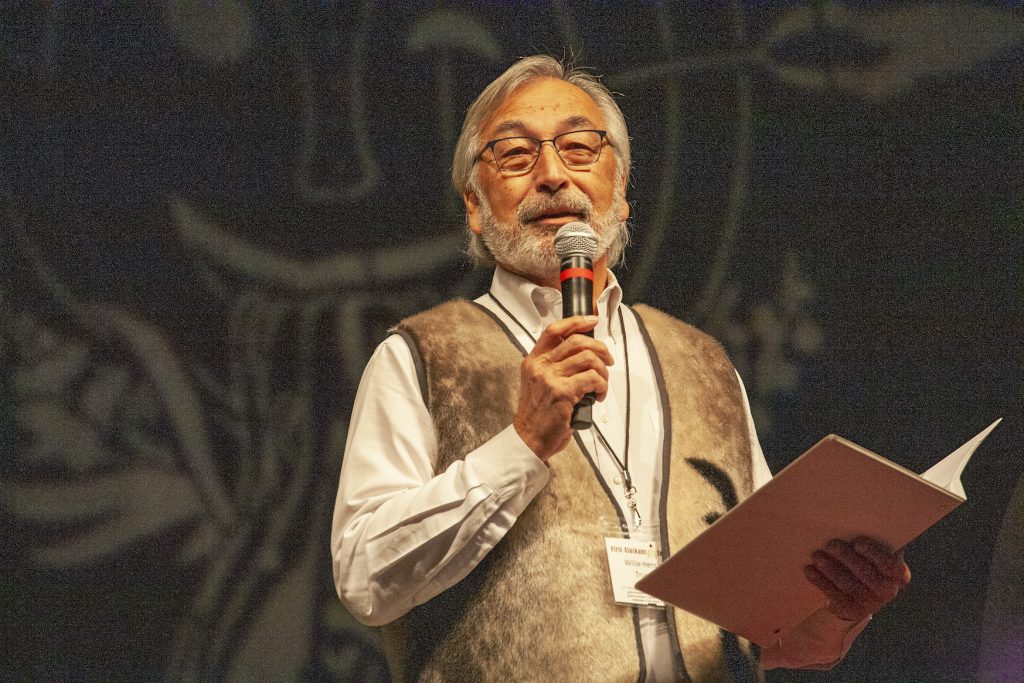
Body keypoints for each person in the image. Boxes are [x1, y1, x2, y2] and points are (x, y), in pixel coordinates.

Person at [331, 55, 911, 682]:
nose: (553, 175)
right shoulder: (423, 356)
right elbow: (365, 576)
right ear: (474, 205)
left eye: (580, 149)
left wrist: (839, 610)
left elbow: (773, 631)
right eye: (517, 156)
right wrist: (521, 446)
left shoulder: (705, 366)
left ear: (623, 193)